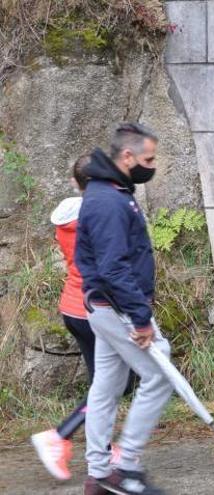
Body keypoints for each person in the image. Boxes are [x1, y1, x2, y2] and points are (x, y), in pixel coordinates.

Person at [76, 122, 173, 494]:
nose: (152, 165)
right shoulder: (108, 201)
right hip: (113, 308)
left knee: (106, 387)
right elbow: (113, 267)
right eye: (148, 158)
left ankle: (99, 474)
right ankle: (124, 466)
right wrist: (141, 318)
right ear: (127, 156)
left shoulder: (113, 192)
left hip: (105, 307)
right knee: (159, 375)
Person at [31, 154, 123, 480]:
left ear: (75, 182)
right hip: (94, 308)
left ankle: (101, 446)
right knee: (113, 383)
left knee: (106, 381)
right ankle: (60, 437)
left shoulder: (67, 215)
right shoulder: (96, 216)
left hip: (73, 306)